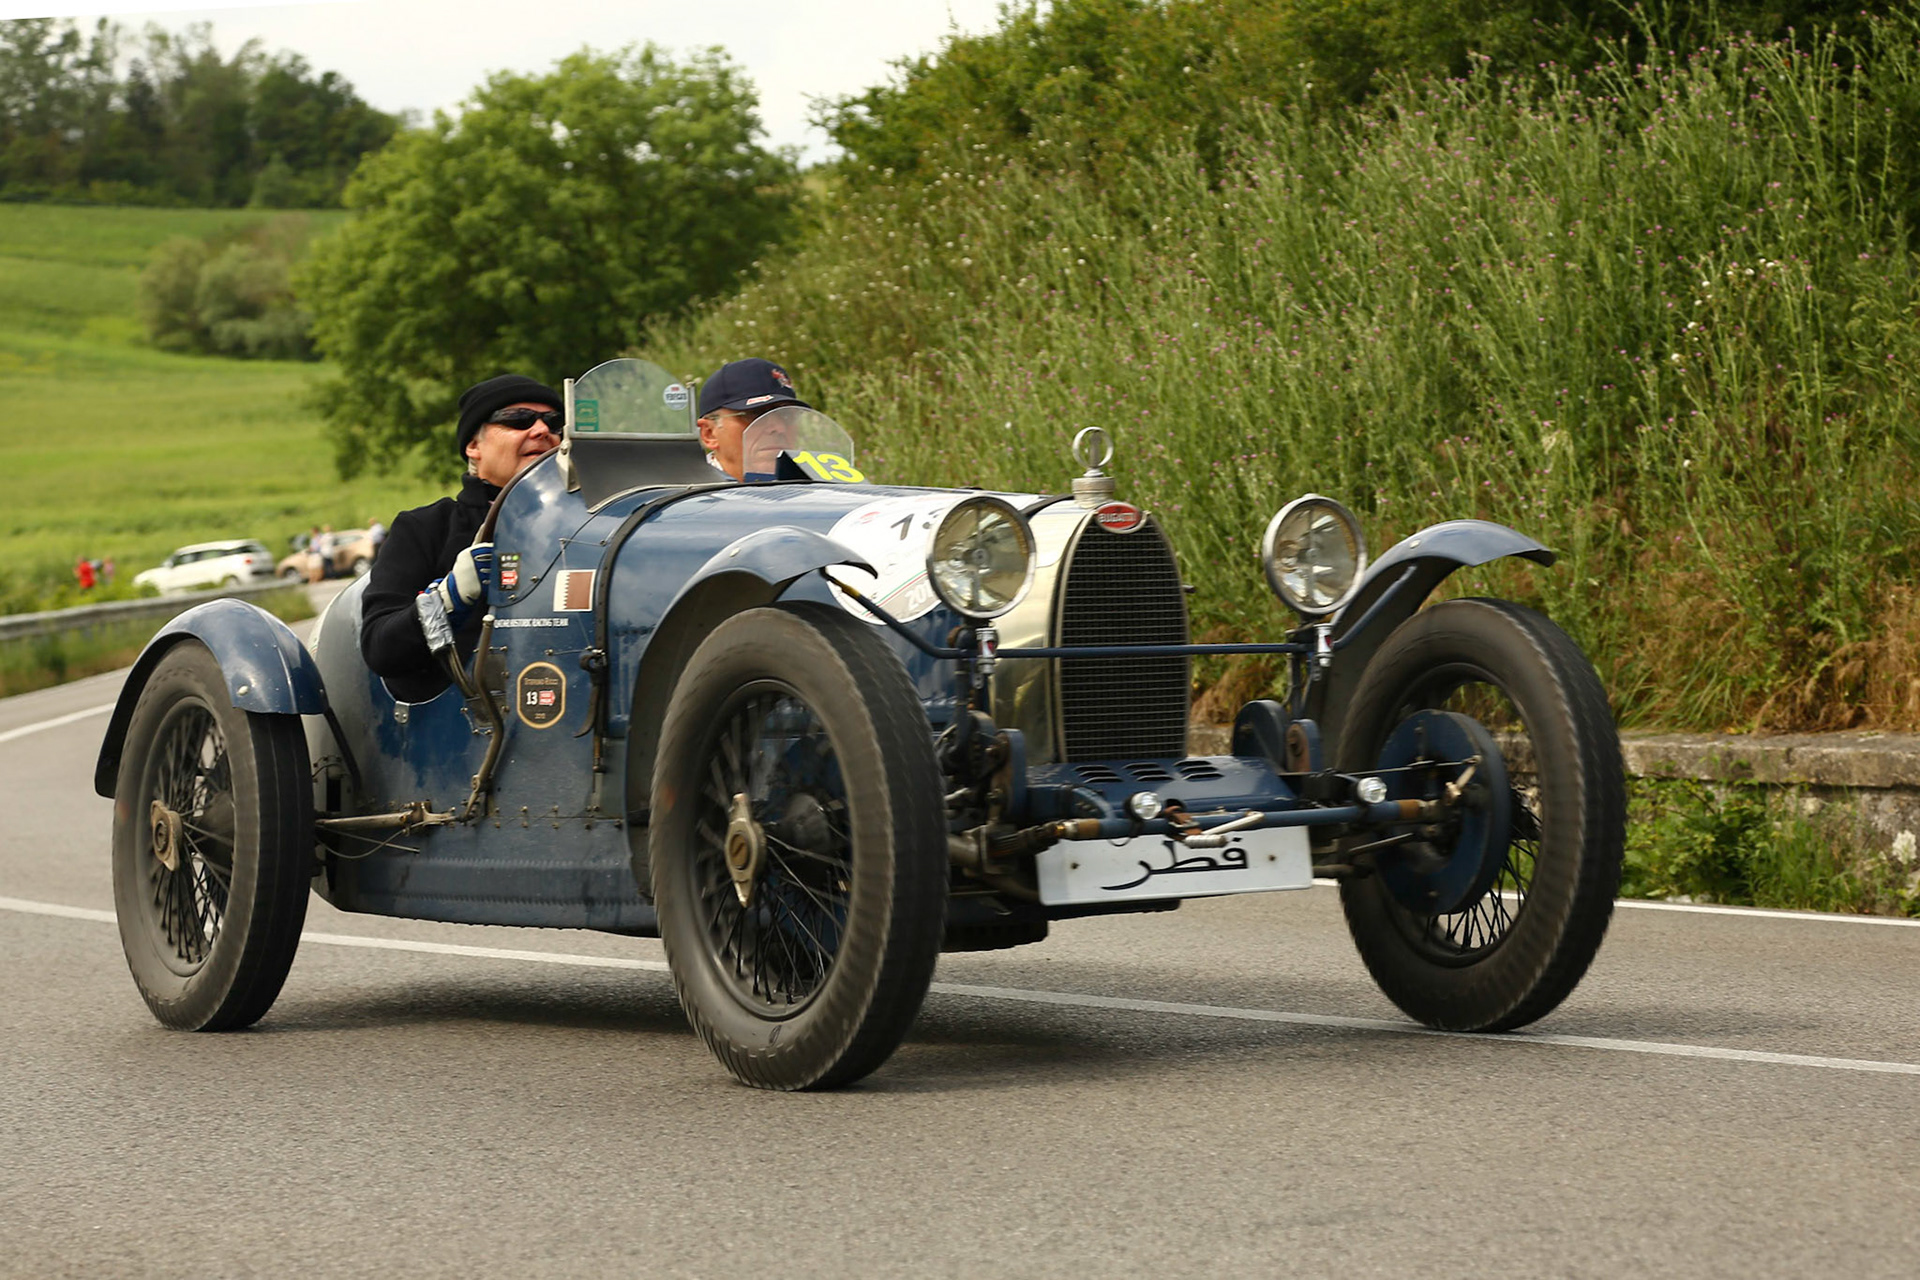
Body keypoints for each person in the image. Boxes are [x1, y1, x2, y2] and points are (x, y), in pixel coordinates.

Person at [360, 373, 563, 702]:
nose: (541, 430)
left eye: (554, 423)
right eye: (518, 420)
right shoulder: (424, 528)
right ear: (473, 445)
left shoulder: (591, 526)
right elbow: (379, 649)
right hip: (463, 729)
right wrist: (446, 600)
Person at [695, 358, 809, 480]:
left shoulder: (818, 490)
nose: (779, 428)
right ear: (710, 433)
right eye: (755, 414)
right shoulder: (685, 493)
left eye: (786, 415)